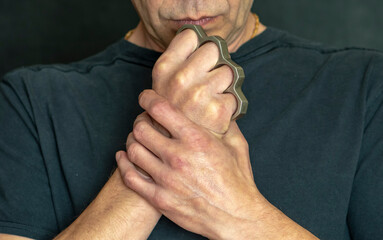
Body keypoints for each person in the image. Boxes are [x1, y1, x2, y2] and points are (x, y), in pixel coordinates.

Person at [0, 0, 382, 239]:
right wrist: (169, 125)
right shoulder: (30, 100)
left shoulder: (366, 85)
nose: (193, 0)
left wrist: (240, 216)